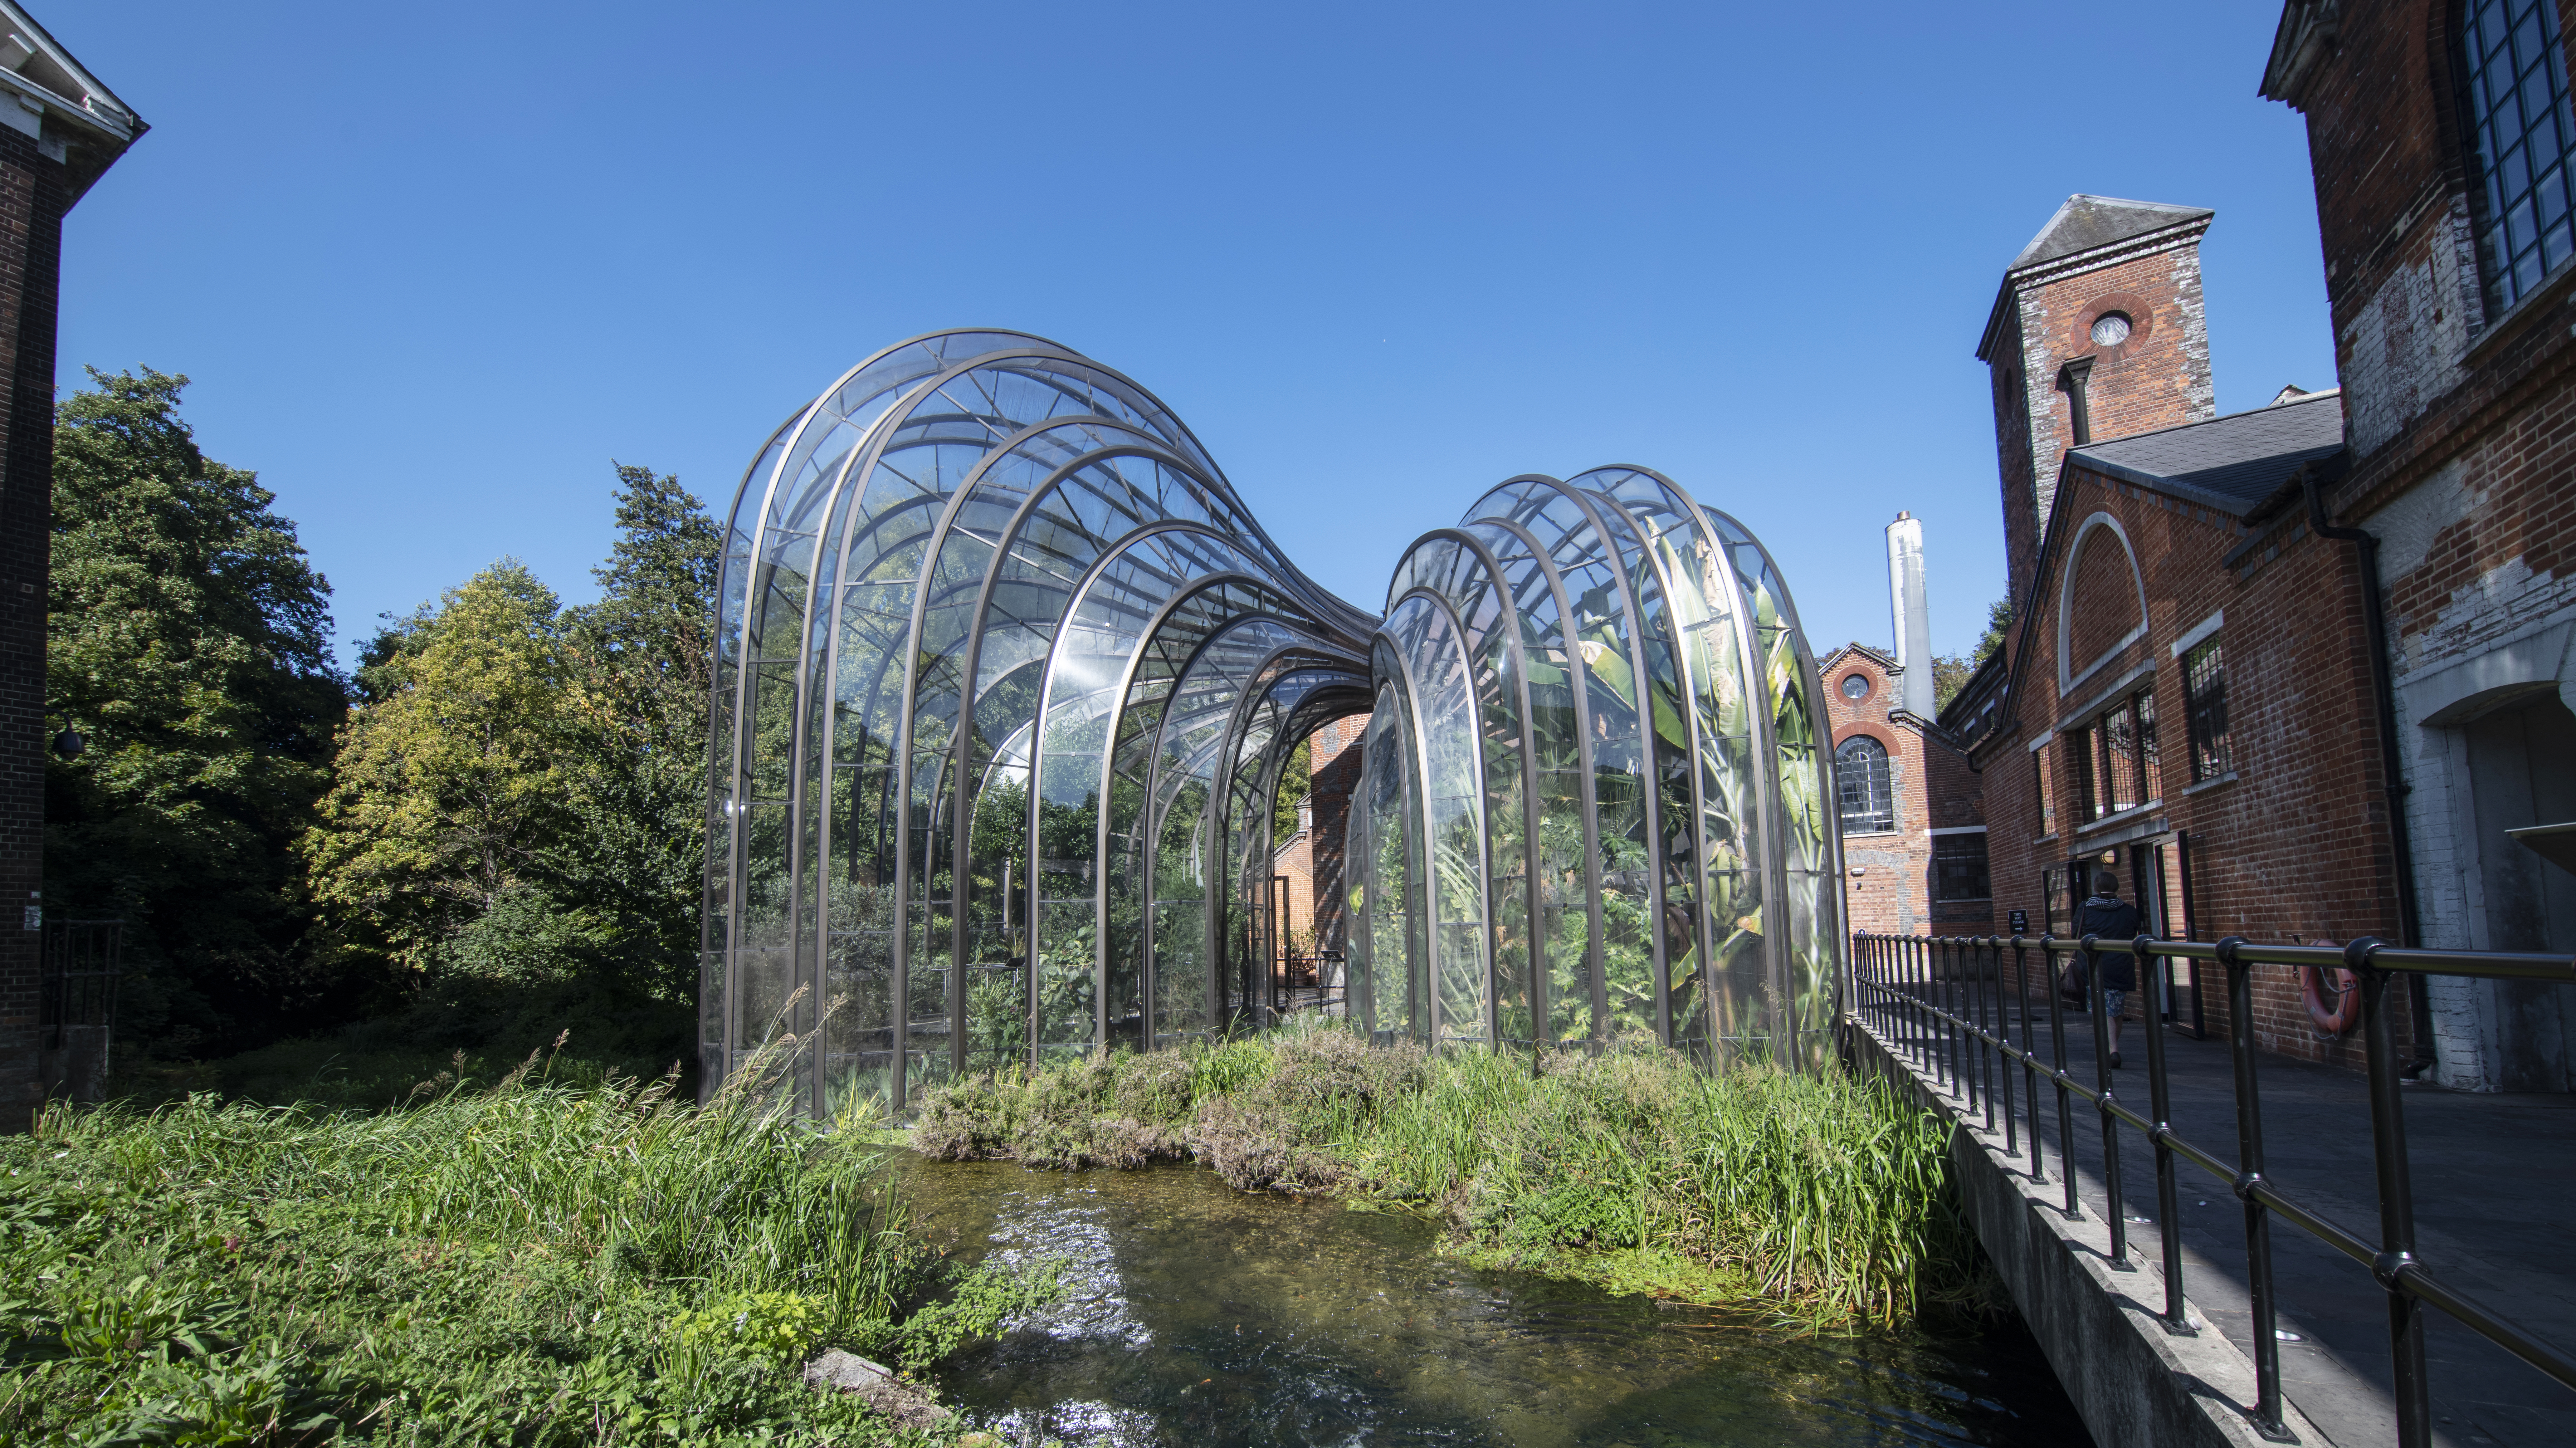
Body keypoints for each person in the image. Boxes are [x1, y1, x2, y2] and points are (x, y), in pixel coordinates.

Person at [2078, 870, 2144, 1068]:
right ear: (2117, 888)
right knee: (2116, 1009)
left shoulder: (2085, 909)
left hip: (2095, 964)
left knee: (2104, 1007)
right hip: (2122, 964)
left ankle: (2112, 1050)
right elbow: (2134, 933)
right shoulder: (2129, 910)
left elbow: (2077, 933)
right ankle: (2112, 1047)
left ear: (2096, 888)